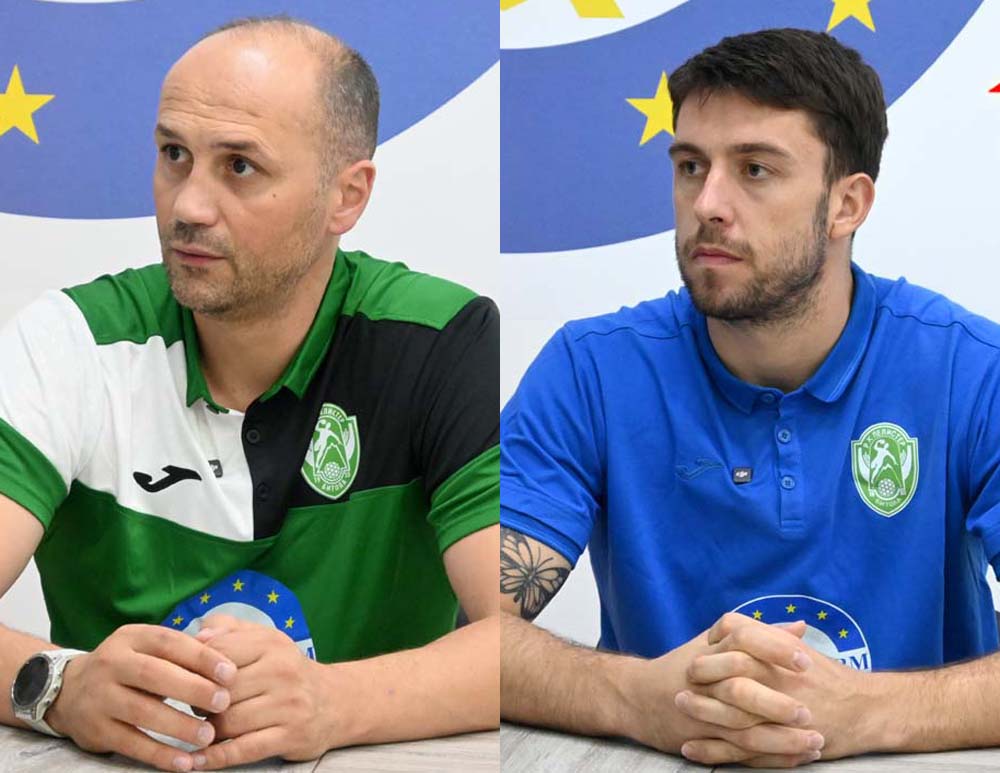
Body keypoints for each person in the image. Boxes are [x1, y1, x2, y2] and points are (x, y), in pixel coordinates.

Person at [0, 15, 499, 773]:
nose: (187, 207)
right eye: (174, 155)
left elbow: (513, 640)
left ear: (347, 196)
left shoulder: (440, 339)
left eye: (239, 166)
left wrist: (333, 702)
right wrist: (59, 686)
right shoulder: (71, 341)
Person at [500, 27, 1000, 768]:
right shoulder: (590, 371)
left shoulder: (973, 370)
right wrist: (636, 699)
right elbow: (474, 632)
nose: (707, 203)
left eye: (755, 169)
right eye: (690, 166)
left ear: (847, 203)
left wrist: (866, 712)